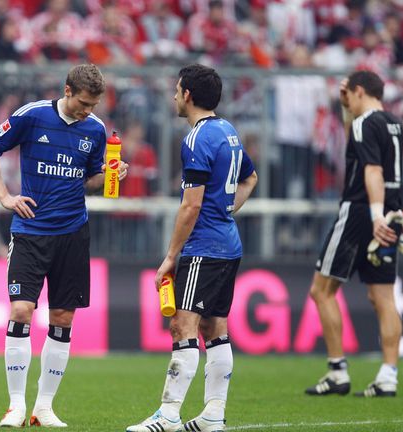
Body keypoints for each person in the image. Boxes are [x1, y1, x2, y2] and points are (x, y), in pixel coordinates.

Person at [0, 63, 128, 428]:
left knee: (62, 318)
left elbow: (90, 178)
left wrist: (111, 173)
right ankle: (15, 405)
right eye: (83, 103)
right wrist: (4, 195)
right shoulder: (33, 116)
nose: (88, 111)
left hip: (73, 233)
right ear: (67, 90)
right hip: (30, 231)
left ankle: (43, 407)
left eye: (93, 105)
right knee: (21, 311)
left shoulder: (94, 130)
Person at [126, 64, 258, 432]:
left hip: (205, 247)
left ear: (187, 95)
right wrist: (227, 209)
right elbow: (250, 177)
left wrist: (171, 256)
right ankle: (214, 415)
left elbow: (191, 205)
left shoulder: (197, 139)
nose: (173, 96)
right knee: (215, 327)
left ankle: (168, 415)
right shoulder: (228, 131)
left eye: (176, 89)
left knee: (183, 324)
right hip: (228, 244)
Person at [305, 70, 403, 398]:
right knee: (382, 297)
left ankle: (337, 372)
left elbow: (371, 170)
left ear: (359, 91)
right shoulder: (394, 123)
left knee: (321, 291)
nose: (345, 97)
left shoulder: (365, 123)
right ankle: (388, 375)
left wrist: (374, 214)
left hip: (363, 210)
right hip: (393, 210)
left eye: (348, 92)